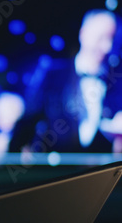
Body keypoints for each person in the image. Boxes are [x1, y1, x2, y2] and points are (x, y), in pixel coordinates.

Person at [13, 9, 119, 153]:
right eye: (101, 37)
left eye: (111, 38)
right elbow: (28, 120)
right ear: (83, 33)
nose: (107, 47)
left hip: (101, 170)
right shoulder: (53, 73)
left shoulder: (117, 81)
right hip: (55, 170)